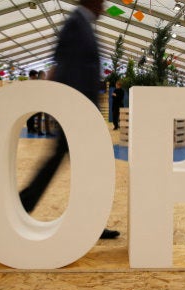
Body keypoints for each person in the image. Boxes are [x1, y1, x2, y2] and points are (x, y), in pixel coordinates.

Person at [19, 0, 120, 239]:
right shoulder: (77, 23)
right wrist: (75, 107)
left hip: (79, 109)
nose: (104, 8)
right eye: (101, 3)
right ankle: (25, 203)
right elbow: (69, 68)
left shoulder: (82, 24)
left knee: (80, 164)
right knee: (72, 162)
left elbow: (60, 61)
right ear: (92, 2)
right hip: (75, 109)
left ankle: (88, 220)